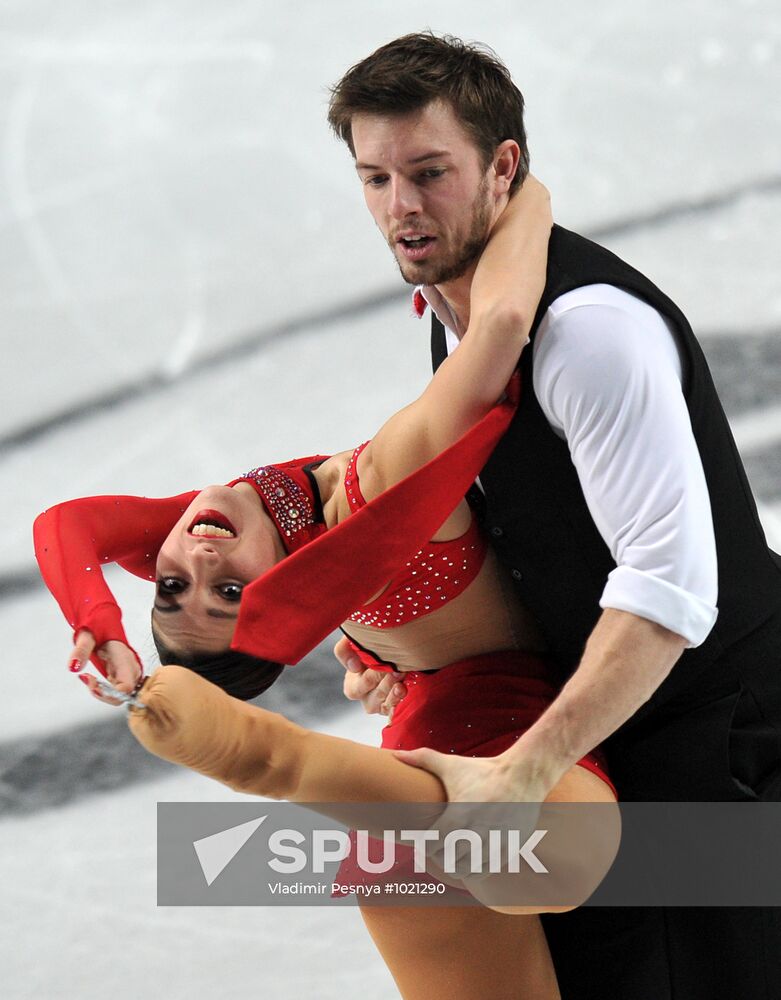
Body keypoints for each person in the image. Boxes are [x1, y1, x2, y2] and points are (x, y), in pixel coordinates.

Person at [34, 177, 618, 1000]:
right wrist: (518, 189)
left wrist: (100, 623)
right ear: (284, 599)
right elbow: (501, 325)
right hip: (496, 718)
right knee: (559, 857)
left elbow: (69, 525)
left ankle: (297, 763)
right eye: (230, 596)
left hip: (420, 730)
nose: (198, 561)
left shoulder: (234, 521)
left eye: (168, 587)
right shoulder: (375, 491)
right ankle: (284, 760)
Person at [328, 31, 781, 1000]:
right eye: (374, 178)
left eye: (427, 172)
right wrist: (415, 642)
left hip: (722, 742)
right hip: (616, 736)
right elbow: (539, 540)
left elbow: (668, 591)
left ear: (502, 167)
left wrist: (529, 766)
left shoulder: (588, 336)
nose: (399, 208)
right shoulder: (468, 321)